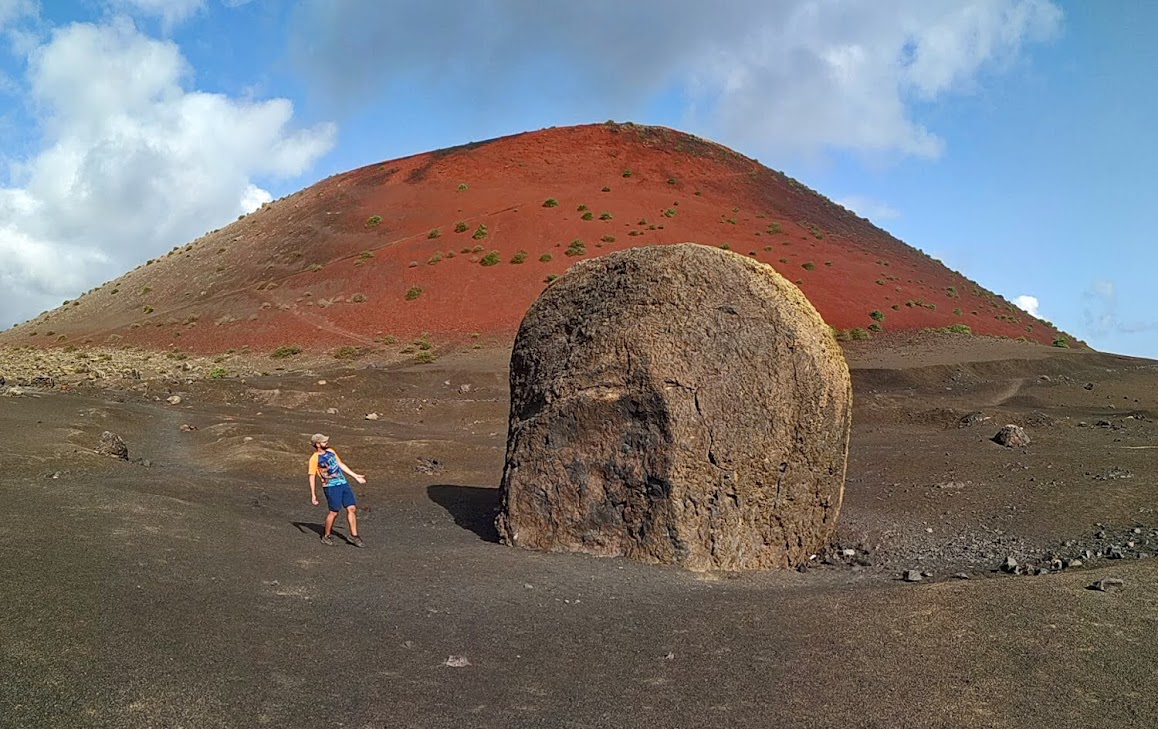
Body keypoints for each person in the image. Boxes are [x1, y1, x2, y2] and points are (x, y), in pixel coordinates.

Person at [307, 433, 367, 547]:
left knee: (352, 508)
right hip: (330, 487)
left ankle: (354, 536)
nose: (326, 443)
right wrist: (313, 494)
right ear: (317, 444)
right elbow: (311, 476)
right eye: (324, 442)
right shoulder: (314, 458)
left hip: (343, 483)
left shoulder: (331, 451)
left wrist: (355, 476)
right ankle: (327, 535)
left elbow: (340, 464)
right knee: (334, 512)